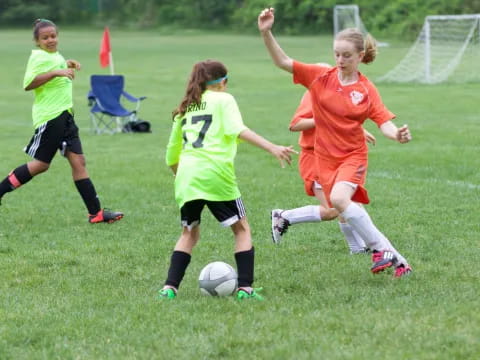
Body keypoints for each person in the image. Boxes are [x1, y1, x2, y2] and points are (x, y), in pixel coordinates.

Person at [258, 8, 412, 277]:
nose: (340, 60)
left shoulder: (366, 89)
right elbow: (282, 61)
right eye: (337, 54)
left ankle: (379, 250)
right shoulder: (320, 76)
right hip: (324, 159)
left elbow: (383, 121)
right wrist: (266, 32)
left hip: (352, 155)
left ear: (360, 57)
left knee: (339, 200)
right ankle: (396, 259)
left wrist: (396, 133)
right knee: (340, 206)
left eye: (347, 55)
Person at [159, 60, 296, 300]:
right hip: (216, 174)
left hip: (187, 177)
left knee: (188, 234)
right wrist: (272, 147)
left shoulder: (185, 107)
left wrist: (183, 177)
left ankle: (169, 288)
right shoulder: (224, 99)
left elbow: (172, 155)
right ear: (222, 82)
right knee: (241, 229)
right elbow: (238, 130)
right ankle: (245, 288)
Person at [0, 19, 123, 224]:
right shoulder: (38, 57)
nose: (51, 40)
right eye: (45, 37)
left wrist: (65, 64)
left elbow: (54, 66)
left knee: (79, 161)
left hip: (65, 115)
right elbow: (28, 83)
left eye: (53, 36)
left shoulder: (54, 55)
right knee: (41, 165)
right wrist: (58, 71)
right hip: (50, 117)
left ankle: (96, 213)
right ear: (37, 41)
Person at [272, 74, 376, 255]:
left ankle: (360, 248)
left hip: (334, 156)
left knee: (345, 204)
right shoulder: (313, 95)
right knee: (336, 208)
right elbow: (295, 124)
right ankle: (284, 217)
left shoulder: (337, 94)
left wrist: (359, 129)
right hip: (314, 158)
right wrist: (321, 119)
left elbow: (342, 119)